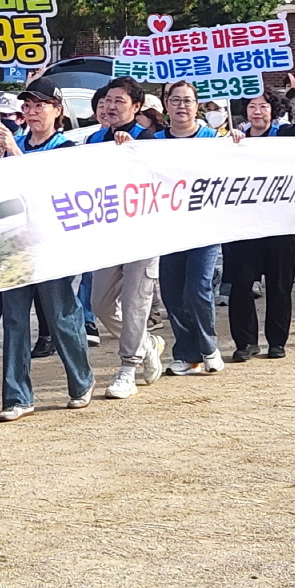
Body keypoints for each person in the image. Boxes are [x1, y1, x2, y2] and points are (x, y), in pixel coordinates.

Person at [0, 85, 95, 420]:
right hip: (15, 245)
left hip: (50, 245)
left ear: (57, 110)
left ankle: (81, 381)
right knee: (16, 320)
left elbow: (47, 187)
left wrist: (14, 154)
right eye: (28, 105)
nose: (33, 111)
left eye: (41, 105)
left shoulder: (65, 147)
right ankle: (17, 396)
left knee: (61, 316)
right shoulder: (9, 143)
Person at [224, 67, 295, 360]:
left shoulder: (285, 135)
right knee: (240, 285)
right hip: (244, 227)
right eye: (251, 106)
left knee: (279, 286)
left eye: (263, 105)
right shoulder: (233, 142)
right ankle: (246, 342)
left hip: (281, 226)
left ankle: (277, 341)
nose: (257, 111)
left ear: (272, 110)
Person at [83, 77, 165, 397]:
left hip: (143, 233)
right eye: (108, 100)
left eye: (120, 101)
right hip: (108, 233)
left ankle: (128, 368)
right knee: (100, 303)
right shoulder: (93, 139)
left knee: (134, 302)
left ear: (136, 107)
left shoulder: (148, 139)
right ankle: (146, 343)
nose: (111, 106)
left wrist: (131, 152)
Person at [153, 80, 225, 375]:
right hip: (168, 230)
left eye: (188, 101)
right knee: (171, 292)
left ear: (197, 106)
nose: (181, 106)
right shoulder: (152, 141)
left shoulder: (213, 139)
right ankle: (187, 352)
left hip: (204, 228)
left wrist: (237, 144)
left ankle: (209, 346)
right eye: (175, 100)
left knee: (197, 289)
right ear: (166, 106)